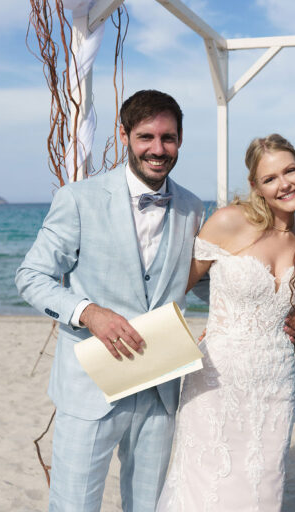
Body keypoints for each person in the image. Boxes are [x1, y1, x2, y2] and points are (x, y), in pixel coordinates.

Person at [16, 90, 205, 512]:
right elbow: (31, 276)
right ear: (124, 136)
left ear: (180, 140)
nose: (158, 149)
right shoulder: (78, 199)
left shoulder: (193, 208)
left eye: (168, 138)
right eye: (146, 137)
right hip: (92, 386)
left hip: (159, 386)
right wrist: (89, 313)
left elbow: (202, 280)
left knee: (148, 505)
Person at [156, 134, 295, 511]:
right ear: (256, 186)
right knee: (206, 488)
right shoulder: (228, 222)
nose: (284, 183)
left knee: (263, 488)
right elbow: (171, 290)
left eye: (290, 170)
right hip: (217, 379)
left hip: (275, 385)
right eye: (270, 178)